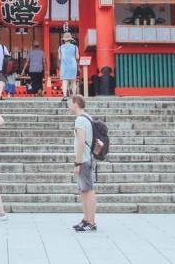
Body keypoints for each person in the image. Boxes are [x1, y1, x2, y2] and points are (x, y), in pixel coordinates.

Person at [69, 94, 97, 232]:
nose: (69, 106)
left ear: (75, 103)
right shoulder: (88, 117)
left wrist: (77, 163)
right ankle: (86, 219)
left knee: (88, 190)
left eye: (70, 103)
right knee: (84, 190)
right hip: (88, 157)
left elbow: (81, 141)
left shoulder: (80, 120)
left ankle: (91, 221)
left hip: (84, 159)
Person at [58, 33, 79, 99]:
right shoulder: (75, 47)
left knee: (65, 81)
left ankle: (65, 96)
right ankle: (74, 96)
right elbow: (77, 57)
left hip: (64, 66)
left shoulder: (60, 48)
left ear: (64, 40)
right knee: (73, 82)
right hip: (73, 66)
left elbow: (59, 58)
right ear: (70, 39)